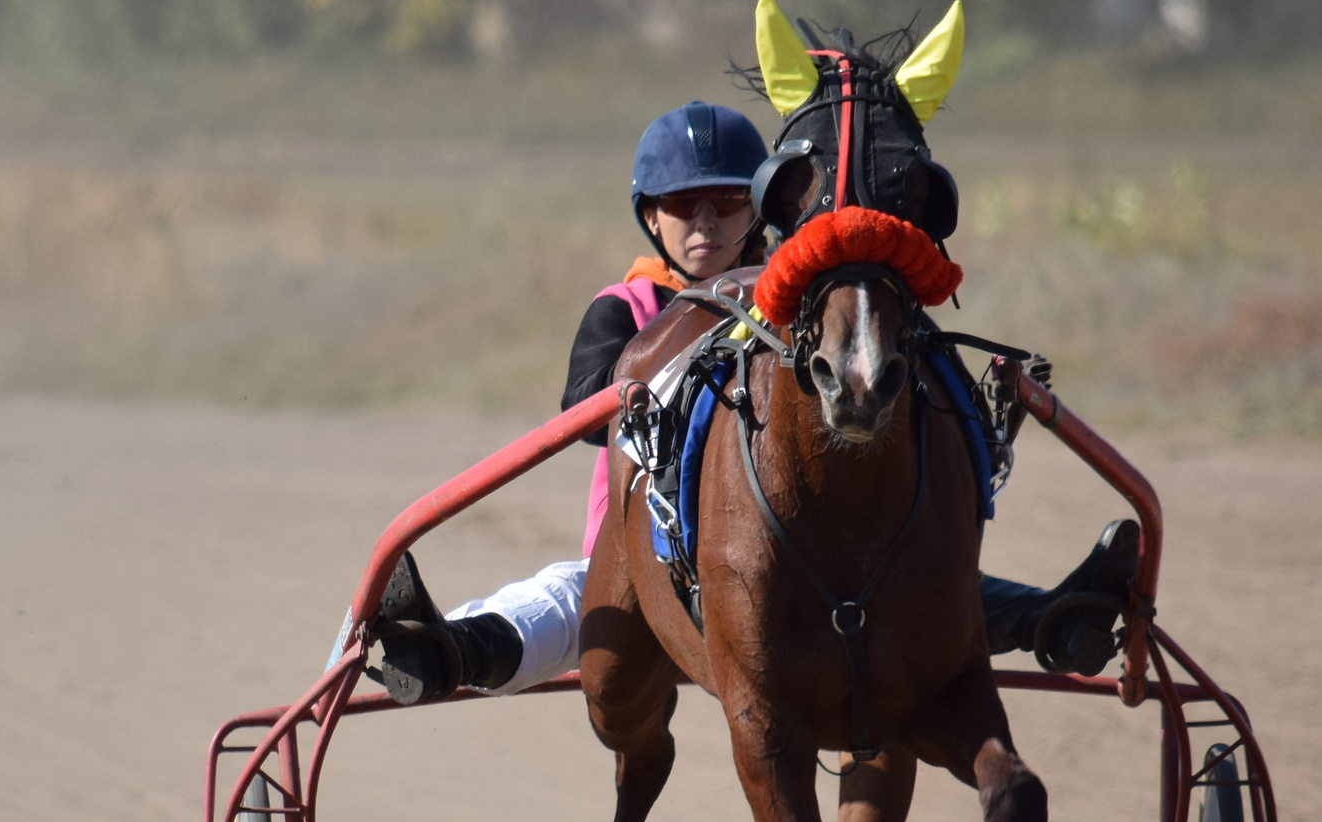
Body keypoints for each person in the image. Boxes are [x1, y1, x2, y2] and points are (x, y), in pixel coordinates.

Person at [368, 100, 1138, 704]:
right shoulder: (626, 307)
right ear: (651, 216)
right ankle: (445, 651)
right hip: (646, 561)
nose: (705, 222)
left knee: (906, 585)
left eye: (725, 202)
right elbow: (584, 411)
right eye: (683, 205)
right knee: (569, 599)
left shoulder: (802, 311)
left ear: (760, 211)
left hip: (792, 562)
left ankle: (1054, 621)